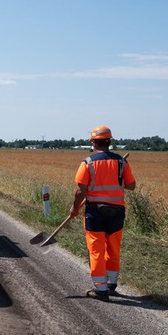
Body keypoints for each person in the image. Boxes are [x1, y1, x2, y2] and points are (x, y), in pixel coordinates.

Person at [69, 125, 137, 301]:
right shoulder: (121, 162)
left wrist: (75, 208)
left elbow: (80, 191)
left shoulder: (88, 163)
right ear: (109, 142)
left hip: (95, 212)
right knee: (113, 248)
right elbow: (131, 186)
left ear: (94, 142)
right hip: (117, 211)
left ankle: (101, 289)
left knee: (96, 250)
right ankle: (111, 284)